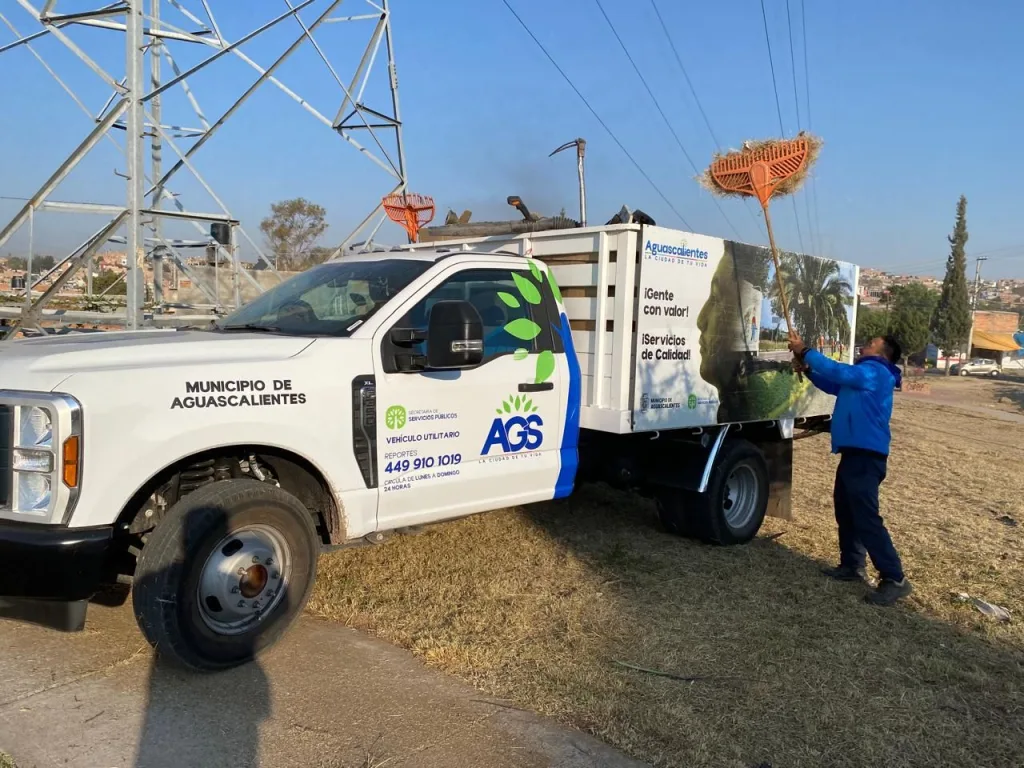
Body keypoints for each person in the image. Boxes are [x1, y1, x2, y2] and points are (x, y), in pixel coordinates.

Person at [789, 332, 912, 606]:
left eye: (870, 344)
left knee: (866, 517)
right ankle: (852, 565)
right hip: (854, 454)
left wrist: (804, 350)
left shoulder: (876, 372)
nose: (864, 347)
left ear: (882, 353)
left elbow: (838, 372)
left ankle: (895, 578)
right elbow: (834, 384)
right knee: (846, 510)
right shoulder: (863, 376)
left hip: (866, 457)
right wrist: (808, 370)